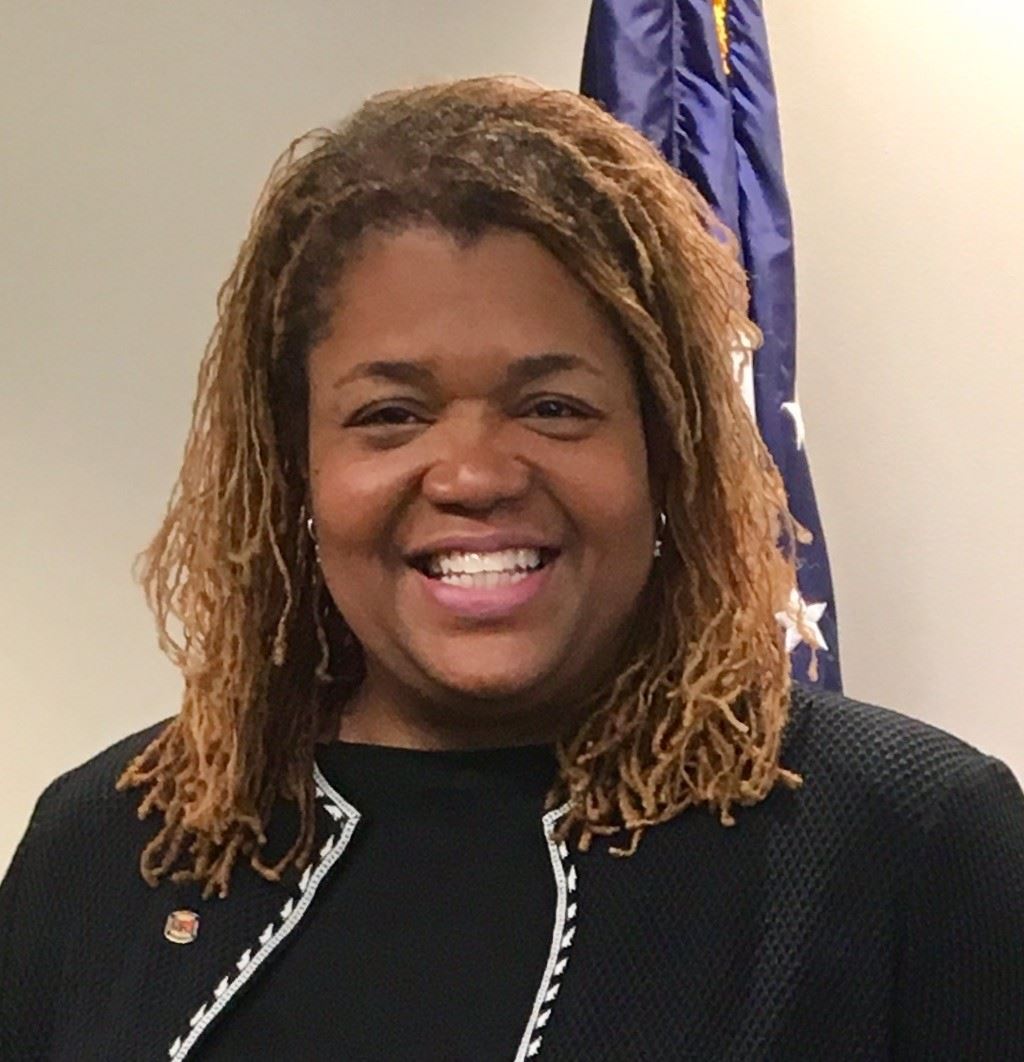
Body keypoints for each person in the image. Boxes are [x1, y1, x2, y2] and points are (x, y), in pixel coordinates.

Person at [1, 75, 1022, 1062]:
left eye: (554, 407)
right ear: (294, 466)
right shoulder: (109, 845)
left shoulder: (904, 840)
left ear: (663, 451)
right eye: (390, 414)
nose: (475, 476)